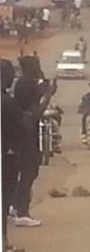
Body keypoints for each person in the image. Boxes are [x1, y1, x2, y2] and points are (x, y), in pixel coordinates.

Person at [12, 56, 45, 227]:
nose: (39, 68)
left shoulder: (26, 83)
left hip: (26, 133)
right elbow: (36, 113)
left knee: (27, 172)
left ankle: (16, 206)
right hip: (27, 135)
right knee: (29, 172)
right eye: (36, 65)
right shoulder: (26, 85)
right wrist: (47, 95)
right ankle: (22, 212)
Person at [1, 59, 24, 252]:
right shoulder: (7, 102)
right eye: (10, 76)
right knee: (3, 202)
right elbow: (25, 124)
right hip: (6, 158)